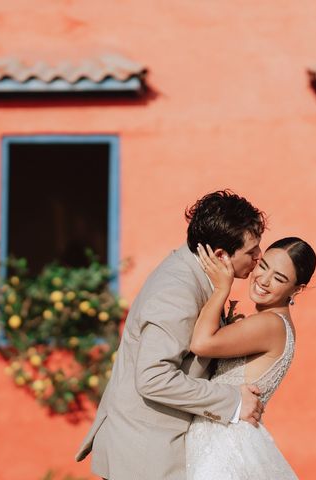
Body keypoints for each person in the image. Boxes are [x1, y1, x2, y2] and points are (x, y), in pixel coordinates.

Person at [75, 190, 267, 480]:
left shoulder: (194, 275)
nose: (258, 257)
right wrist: (232, 400)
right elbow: (153, 378)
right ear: (220, 255)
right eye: (251, 251)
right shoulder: (176, 291)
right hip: (144, 458)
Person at [186, 237, 316, 479]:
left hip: (223, 444)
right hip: (226, 437)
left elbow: (201, 343)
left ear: (296, 289)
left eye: (279, 278)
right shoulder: (278, 324)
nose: (264, 281)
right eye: (263, 266)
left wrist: (221, 289)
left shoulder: (269, 324)